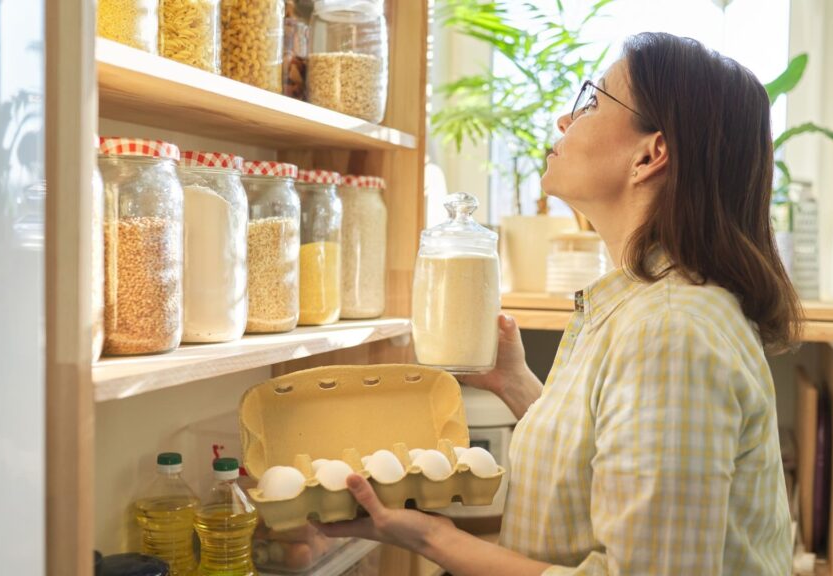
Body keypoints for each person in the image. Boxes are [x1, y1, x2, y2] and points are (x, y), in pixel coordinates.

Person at [318, 31, 800, 575]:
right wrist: (516, 384)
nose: (564, 122)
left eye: (592, 102)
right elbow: (607, 461)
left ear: (650, 154)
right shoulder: (638, 306)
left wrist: (435, 540)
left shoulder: (670, 331)